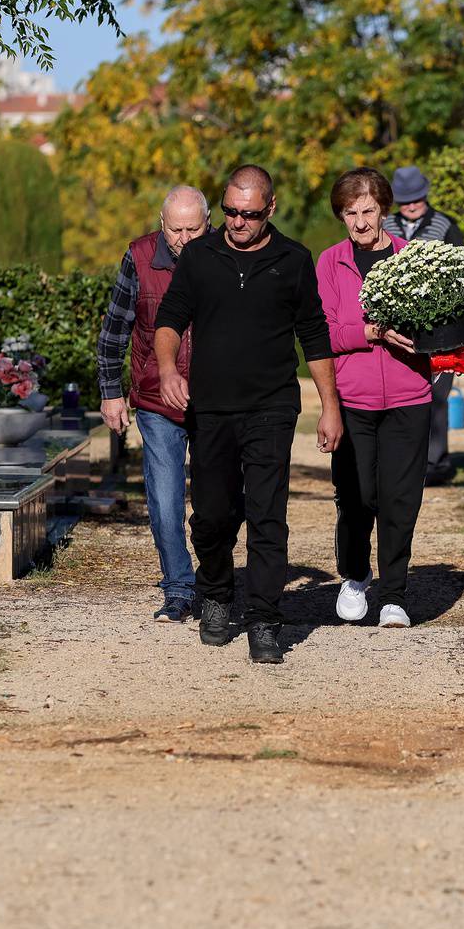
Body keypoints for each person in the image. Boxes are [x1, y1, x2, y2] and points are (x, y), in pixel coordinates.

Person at [154, 165, 343, 665]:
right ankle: (215, 593)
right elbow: (170, 320)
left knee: (267, 516)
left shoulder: (293, 260)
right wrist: (170, 370)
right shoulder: (199, 255)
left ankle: (264, 617)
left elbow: (315, 337)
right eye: (231, 211)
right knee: (212, 517)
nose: (237, 222)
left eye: (249, 214)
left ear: (271, 209)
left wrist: (331, 407)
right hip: (211, 409)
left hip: (272, 407)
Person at [316, 168, 433, 629]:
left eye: (367, 211)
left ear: (383, 209)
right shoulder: (329, 263)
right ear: (341, 216)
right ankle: (355, 574)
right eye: (350, 213)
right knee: (357, 494)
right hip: (353, 398)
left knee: (401, 498)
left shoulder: (414, 260)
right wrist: (369, 332)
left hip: (409, 394)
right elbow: (321, 330)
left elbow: (438, 324)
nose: (361, 222)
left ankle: (394, 594)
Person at [95, 186, 210, 622]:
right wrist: (110, 391)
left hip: (215, 402)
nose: (183, 238)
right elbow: (114, 331)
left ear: (208, 224)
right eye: (175, 229)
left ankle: (214, 578)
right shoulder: (139, 257)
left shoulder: (226, 254)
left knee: (216, 503)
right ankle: (178, 588)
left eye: (192, 229)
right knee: (164, 500)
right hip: (156, 400)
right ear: (162, 225)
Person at [382, 165, 464, 487]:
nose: (411, 205)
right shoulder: (385, 225)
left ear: (425, 195)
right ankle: (402, 461)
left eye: (416, 198)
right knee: (400, 398)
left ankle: (436, 462)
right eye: (404, 201)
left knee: (437, 397)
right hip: (398, 327)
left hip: (438, 327)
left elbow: (461, 272)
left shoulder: (444, 225)